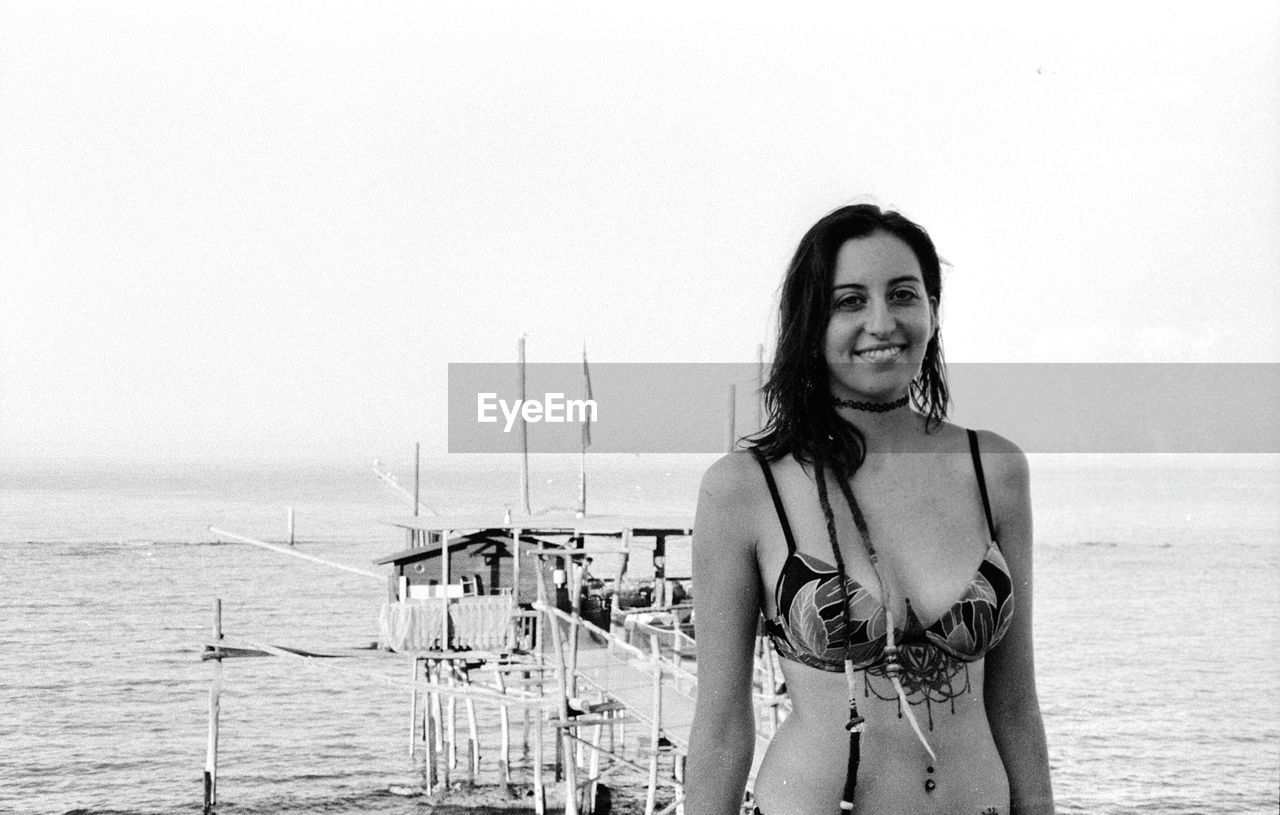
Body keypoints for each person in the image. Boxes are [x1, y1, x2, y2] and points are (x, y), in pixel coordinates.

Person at [687, 204, 1054, 815]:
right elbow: (723, 721)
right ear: (810, 322)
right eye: (849, 301)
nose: (882, 322)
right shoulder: (745, 489)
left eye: (903, 295)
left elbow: (1015, 701)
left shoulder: (996, 470)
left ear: (933, 310)